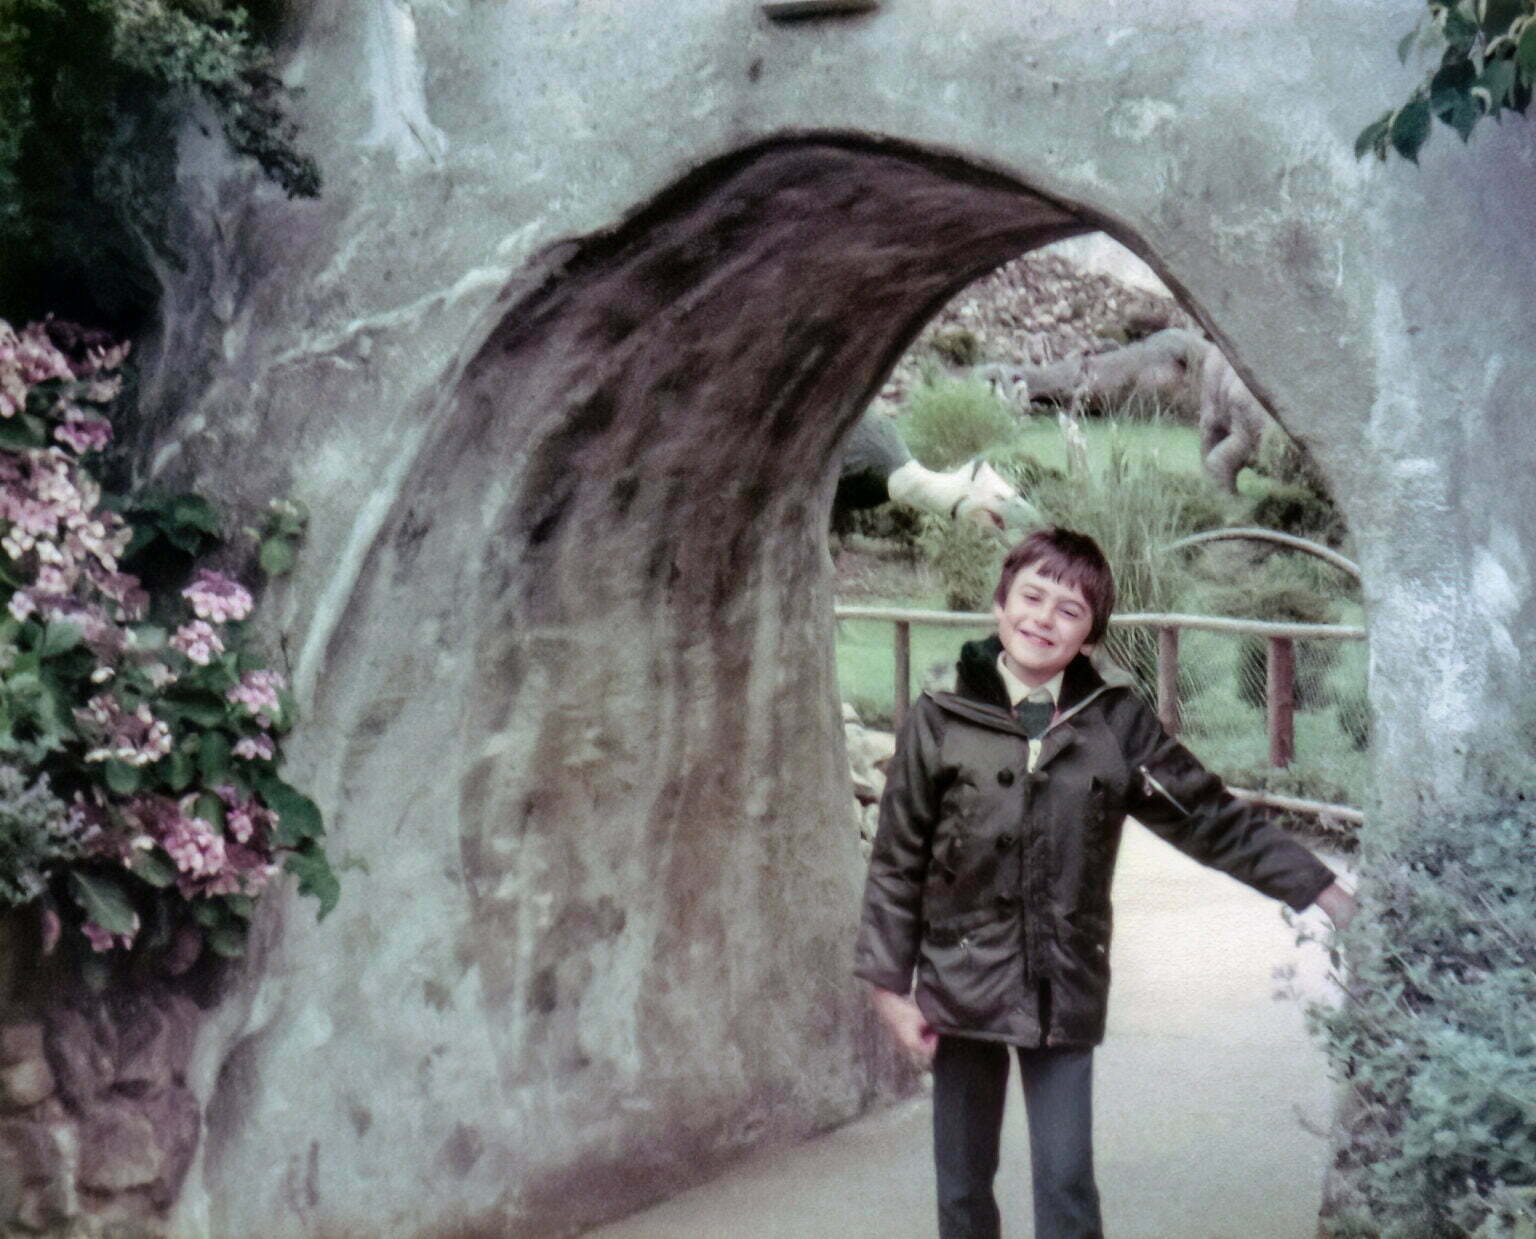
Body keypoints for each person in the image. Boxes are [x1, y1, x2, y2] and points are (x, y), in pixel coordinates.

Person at [853, 527, 1355, 1239]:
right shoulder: (939, 720)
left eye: (1070, 610)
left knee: (1066, 1183)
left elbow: (1208, 816)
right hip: (959, 982)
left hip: (1064, 984)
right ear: (999, 604)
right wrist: (887, 988)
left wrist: (1324, 890)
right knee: (963, 1186)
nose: (1043, 619)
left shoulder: (1115, 723)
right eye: (1031, 596)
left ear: (1089, 635)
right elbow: (897, 861)